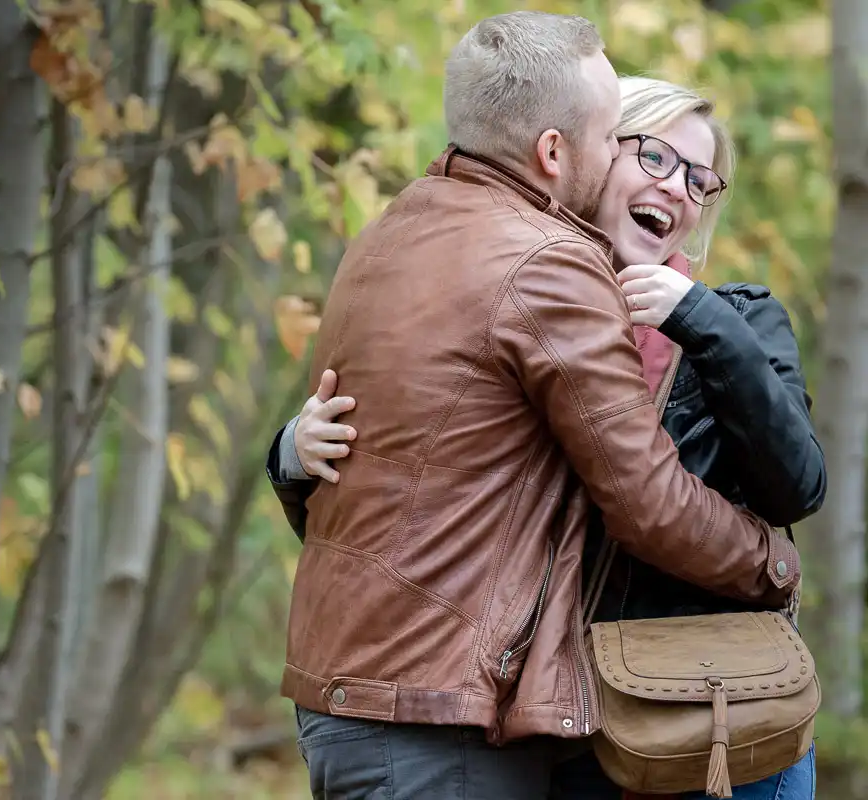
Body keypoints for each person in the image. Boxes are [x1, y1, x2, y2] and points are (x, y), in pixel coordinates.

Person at [270, 10, 804, 800]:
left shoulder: (391, 234)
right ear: (559, 152)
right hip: (442, 709)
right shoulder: (547, 264)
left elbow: (420, 465)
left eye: (699, 178)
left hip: (397, 697)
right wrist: (775, 564)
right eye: (631, 145)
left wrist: (288, 459)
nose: (671, 185)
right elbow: (649, 502)